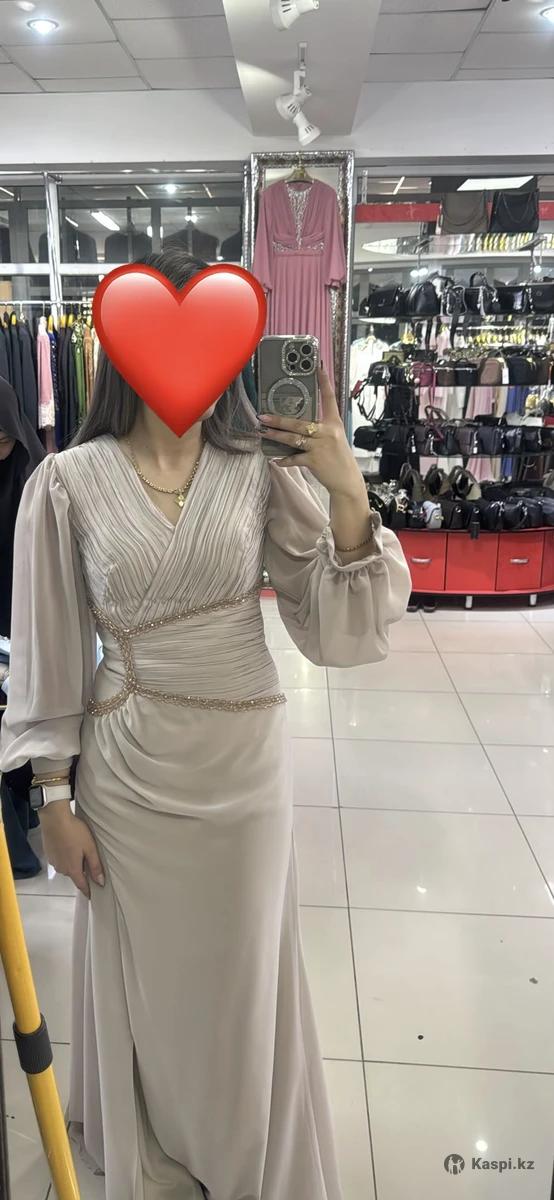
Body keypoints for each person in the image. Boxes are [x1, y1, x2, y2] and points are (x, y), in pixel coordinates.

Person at [0, 249, 411, 1200]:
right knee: (152, 984)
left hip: (242, 772)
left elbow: (335, 626)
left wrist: (346, 488)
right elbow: (51, 651)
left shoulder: (259, 472)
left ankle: (243, 1157)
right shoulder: (65, 483)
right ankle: (154, 1142)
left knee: (239, 980)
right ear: (123, 349)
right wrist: (52, 799)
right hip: (127, 778)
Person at [0, 377, 45, 878]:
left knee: (22, 712)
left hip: (24, 616)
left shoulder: (35, 476)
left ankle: (23, 800)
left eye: (4, 438)